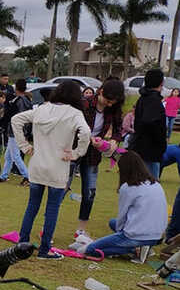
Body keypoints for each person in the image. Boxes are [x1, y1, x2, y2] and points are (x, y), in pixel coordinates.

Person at [12, 81, 91, 260]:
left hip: (37, 165)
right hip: (58, 166)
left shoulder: (41, 108)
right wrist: (77, 153)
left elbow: (15, 120)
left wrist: (25, 146)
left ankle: (22, 244)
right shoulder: (75, 113)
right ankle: (44, 249)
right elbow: (86, 132)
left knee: (32, 206)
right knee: (52, 208)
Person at [84, 151, 166, 262]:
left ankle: (132, 249)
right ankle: (141, 247)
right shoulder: (155, 184)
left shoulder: (128, 188)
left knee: (91, 249)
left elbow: (122, 216)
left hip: (136, 235)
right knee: (113, 222)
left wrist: (120, 236)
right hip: (156, 235)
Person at [69, 80, 124, 240]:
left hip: (93, 154)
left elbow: (119, 128)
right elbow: (70, 125)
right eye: (107, 100)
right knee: (61, 188)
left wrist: (114, 140)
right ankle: (48, 226)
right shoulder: (84, 103)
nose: (109, 104)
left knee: (90, 192)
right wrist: (88, 137)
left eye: (112, 103)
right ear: (100, 92)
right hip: (74, 150)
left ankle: (80, 230)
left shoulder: (113, 109)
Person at [132, 69, 167, 179]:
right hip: (150, 151)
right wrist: (161, 143)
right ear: (161, 83)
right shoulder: (153, 100)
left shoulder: (143, 98)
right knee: (150, 185)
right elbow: (150, 122)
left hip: (141, 147)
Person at [0, 79, 31, 185]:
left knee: (15, 155)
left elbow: (18, 118)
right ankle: (4, 176)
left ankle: (27, 176)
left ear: (16, 88)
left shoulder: (19, 101)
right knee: (8, 156)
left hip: (15, 131)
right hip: (19, 130)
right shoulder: (26, 100)